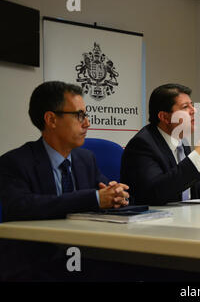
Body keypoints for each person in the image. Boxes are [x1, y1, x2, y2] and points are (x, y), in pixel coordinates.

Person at [0, 81, 129, 280]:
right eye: (79, 116)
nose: (87, 123)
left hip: (86, 253)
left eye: (86, 115)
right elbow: (20, 206)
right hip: (36, 261)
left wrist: (116, 194)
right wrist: (94, 198)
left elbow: (103, 191)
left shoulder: (85, 159)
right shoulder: (14, 162)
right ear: (51, 119)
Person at [121, 83, 200, 206]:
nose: (194, 110)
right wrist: (198, 156)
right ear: (164, 117)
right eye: (185, 107)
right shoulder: (143, 144)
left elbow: (183, 184)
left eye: (192, 105)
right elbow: (156, 192)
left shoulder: (182, 142)